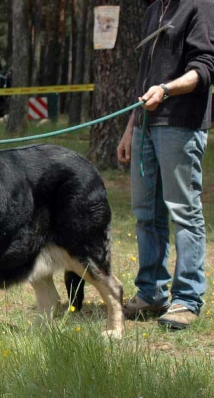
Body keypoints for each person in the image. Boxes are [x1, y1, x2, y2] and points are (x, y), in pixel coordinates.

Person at [117, 0, 214, 329]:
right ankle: (151, 293)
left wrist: (166, 89)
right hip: (144, 126)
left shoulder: (200, 6)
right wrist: (130, 129)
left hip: (180, 125)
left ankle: (187, 298)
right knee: (146, 214)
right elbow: (143, 80)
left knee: (183, 212)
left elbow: (204, 69)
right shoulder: (153, 9)